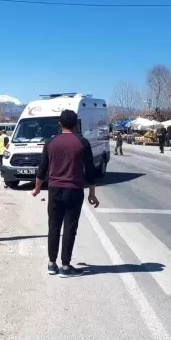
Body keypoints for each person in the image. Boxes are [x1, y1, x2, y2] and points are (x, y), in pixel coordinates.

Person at [31, 110, 100, 278]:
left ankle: (51, 264)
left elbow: (42, 169)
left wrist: (37, 188)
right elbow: (90, 171)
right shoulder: (82, 143)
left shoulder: (51, 142)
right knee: (69, 228)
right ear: (76, 124)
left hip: (54, 190)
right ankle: (66, 266)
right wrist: (92, 193)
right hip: (74, 191)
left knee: (53, 227)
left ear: (59, 124)